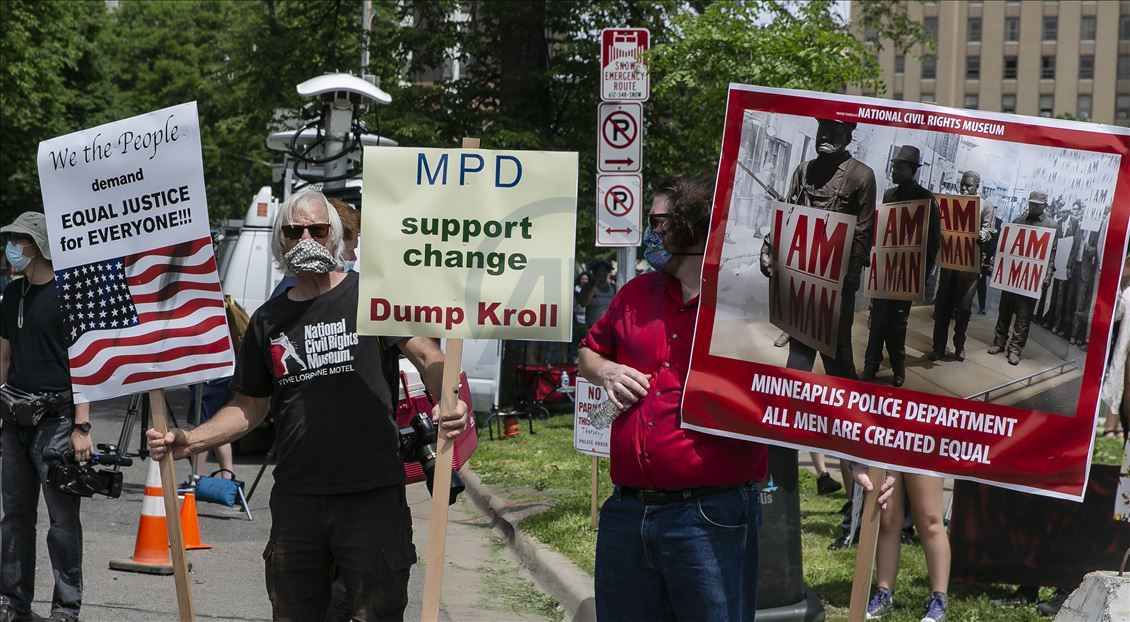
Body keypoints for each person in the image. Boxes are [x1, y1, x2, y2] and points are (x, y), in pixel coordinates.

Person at [580, 173, 892, 621]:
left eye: (658, 221)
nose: (649, 233)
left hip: (709, 518)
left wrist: (859, 452)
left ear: (690, 226)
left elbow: (810, 391)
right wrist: (605, 370)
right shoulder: (633, 295)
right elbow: (589, 351)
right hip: (626, 514)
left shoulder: (747, 307)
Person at [148, 189, 468, 621]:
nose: (306, 239)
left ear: (335, 236)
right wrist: (190, 438)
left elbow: (428, 357)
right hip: (298, 498)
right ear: (281, 241)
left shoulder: (373, 295)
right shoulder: (267, 320)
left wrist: (449, 397)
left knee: (378, 612)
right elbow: (249, 408)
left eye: (316, 229)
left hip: (370, 494)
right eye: (293, 231)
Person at [0, 212, 90, 622]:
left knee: (61, 520)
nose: (11, 249)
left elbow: (85, 366)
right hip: (13, 418)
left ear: (38, 246)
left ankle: (65, 608)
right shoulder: (12, 294)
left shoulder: (67, 296)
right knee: (15, 515)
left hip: (56, 420)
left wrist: (81, 426)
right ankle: (14, 602)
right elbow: (4, 355)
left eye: (18, 240)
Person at [776, 117, 877, 379]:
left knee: (837, 354)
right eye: (822, 129)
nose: (824, 136)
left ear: (848, 136)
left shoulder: (862, 176)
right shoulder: (803, 170)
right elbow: (788, 217)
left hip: (836, 281)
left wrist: (852, 276)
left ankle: (846, 413)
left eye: (833, 131)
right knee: (799, 351)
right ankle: (791, 407)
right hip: (802, 276)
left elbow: (864, 231)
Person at [862, 145, 941, 387]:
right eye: (894, 166)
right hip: (886, 271)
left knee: (898, 323)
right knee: (876, 320)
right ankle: (871, 365)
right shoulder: (888, 196)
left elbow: (933, 242)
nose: (894, 170)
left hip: (907, 273)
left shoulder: (927, 200)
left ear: (912, 170)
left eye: (900, 167)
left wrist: (921, 275)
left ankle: (898, 368)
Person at [927, 171, 995, 361]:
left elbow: (989, 229)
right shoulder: (952, 203)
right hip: (949, 261)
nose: (964, 188)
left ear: (977, 186)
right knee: (942, 306)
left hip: (970, 263)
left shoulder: (986, 206)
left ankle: (959, 345)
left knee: (964, 308)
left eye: (969, 185)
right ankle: (938, 347)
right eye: (962, 185)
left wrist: (983, 235)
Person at [988, 191, 1058, 365]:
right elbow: (1006, 247)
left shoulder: (1052, 225)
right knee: (1004, 310)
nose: (1033, 207)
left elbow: (1051, 254)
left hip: (1031, 277)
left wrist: (1047, 276)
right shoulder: (1018, 221)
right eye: (1031, 203)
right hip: (1012, 274)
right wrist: (996, 264)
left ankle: (1015, 348)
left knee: (1023, 315)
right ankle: (999, 341)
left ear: (1045, 206)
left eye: (1037, 204)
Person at [578, 258, 616, 332]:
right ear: (595, 272)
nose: (603, 273)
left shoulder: (613, 287)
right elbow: (584, 303)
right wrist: (594, 285)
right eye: (601, 270)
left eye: (606, 271)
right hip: (593, 329)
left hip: (609, 329)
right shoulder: (589, 287)